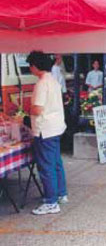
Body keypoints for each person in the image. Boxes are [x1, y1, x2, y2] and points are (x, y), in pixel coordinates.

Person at [27, 51, 68, 215]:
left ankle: (51, 202)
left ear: (35, 66)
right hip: (56, 127)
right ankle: (61, 193)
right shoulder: (53, 80)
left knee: (46, 167)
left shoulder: (41, 84)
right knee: (56, 163)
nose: (30, 69)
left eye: (30, 66)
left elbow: (37, 109)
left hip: (45, 129)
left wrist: (27, 111)